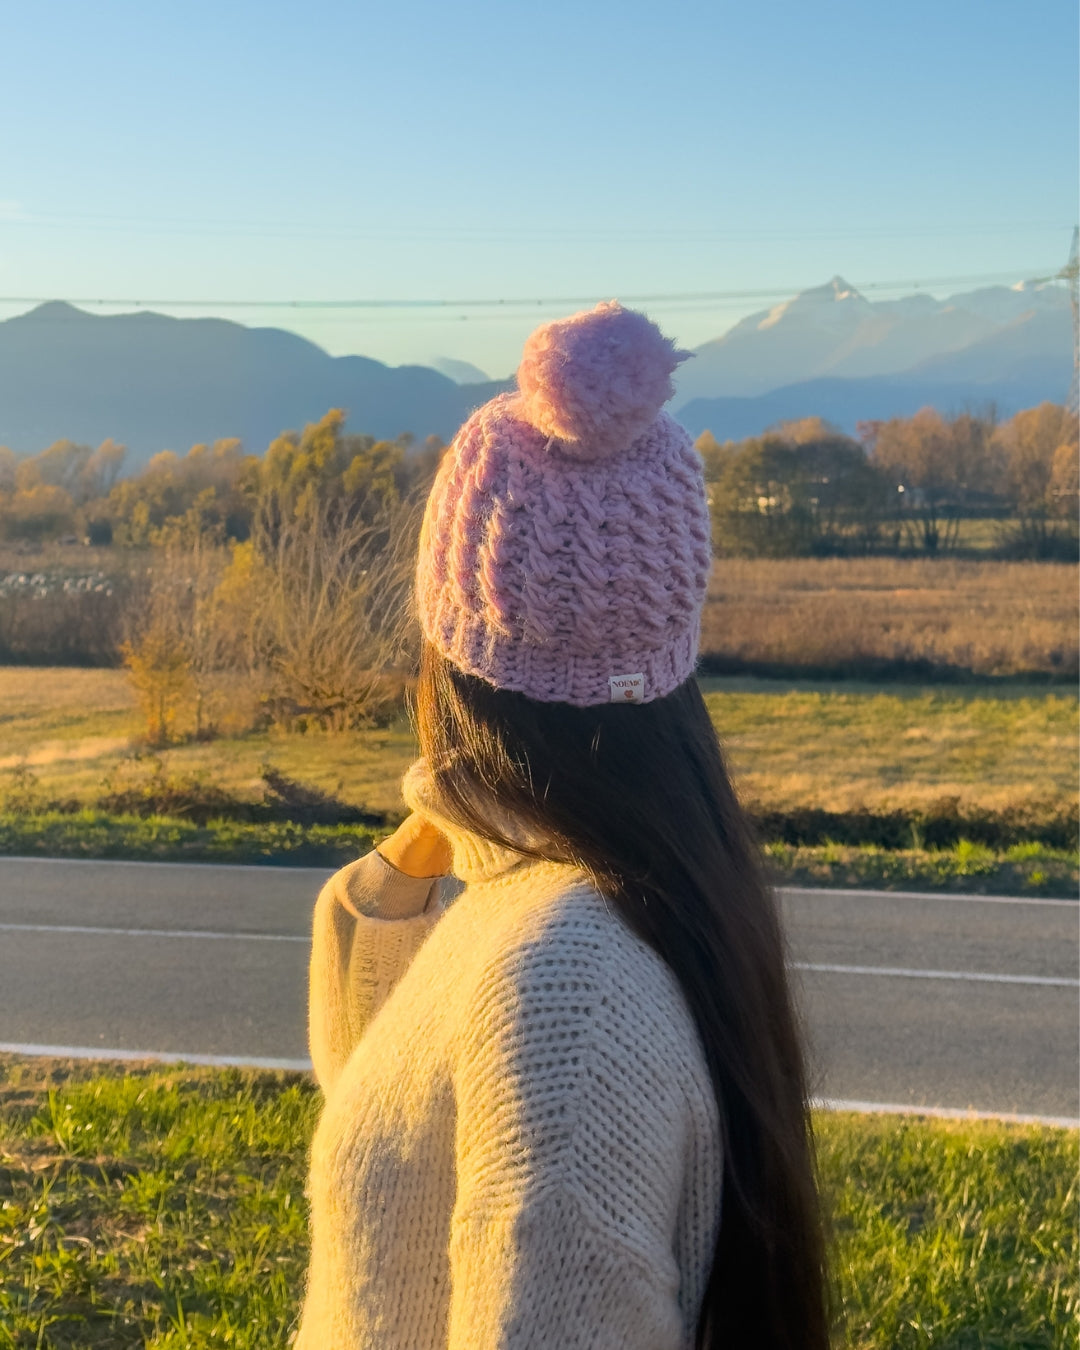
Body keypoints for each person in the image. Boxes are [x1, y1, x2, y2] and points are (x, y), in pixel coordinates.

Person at [296, 302, 829, 1349]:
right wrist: (439, 831)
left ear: (452, 653)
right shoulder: (586, 898)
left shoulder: (562, 993)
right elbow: (377, 1082)